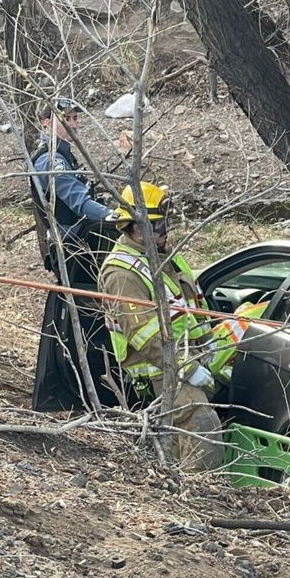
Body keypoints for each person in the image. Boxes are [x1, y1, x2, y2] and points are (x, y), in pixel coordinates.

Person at [99, 182, 223, 471]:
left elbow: (190, 307)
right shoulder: (122, 273)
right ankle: (197, 493)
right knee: (201, 422)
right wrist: (187, 369)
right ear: (135, 227)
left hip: (193, 357)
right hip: (162, 372)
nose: (165, 230)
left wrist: (210, 344)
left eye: (166, 222)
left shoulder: (166, 257)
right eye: (157, 224)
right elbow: (146, 338)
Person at [29, 97, 120, 412]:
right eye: (66, 117)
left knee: (90, 317)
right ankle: (84, 392)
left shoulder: (64, 157)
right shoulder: (51, 161)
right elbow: (77, 201)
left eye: (76, 118)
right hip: (75, 251)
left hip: (83, 247)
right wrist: (118, 218)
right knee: (88, 319)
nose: (73, 123)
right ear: (46, 122)